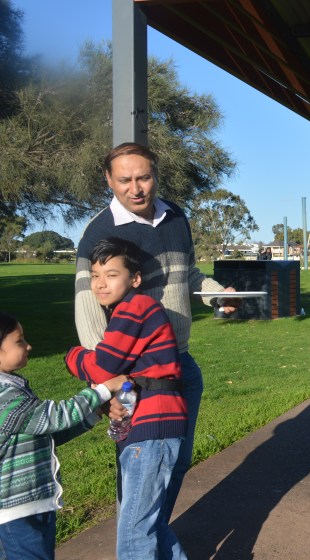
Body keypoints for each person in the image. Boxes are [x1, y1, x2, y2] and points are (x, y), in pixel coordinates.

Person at [74, 142, 237, 524]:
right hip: (133, 376)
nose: (135, 188)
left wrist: (217, 294)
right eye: (124, 180)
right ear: (108, 180)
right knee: (137, 474)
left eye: (143, 177)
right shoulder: (99, 231)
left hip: (181, 364)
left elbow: (188, 274)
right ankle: (137, 543)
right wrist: (108, 385)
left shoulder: (176, 217)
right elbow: (87, 306)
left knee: (177, 462)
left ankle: (154, 538)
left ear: (156, 175)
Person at [67, 237, 188, 558]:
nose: (100, 283)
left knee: (134, 530)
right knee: (147, 522)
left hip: (152, 427)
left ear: (135, 279)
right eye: (95, 275)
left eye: (111, 274)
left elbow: (104, 366)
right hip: (150, 426)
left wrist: (72, 356)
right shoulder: (129, 310)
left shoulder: (136, 308)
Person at [0, 312, 127, 559]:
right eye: (19, 341)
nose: (28, 345)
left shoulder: (13, 387)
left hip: (31, 504)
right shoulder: (4, 397)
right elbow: (56, 416)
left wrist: (94, 414)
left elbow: (47, 434)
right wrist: (103, 390)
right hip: (15, 512)